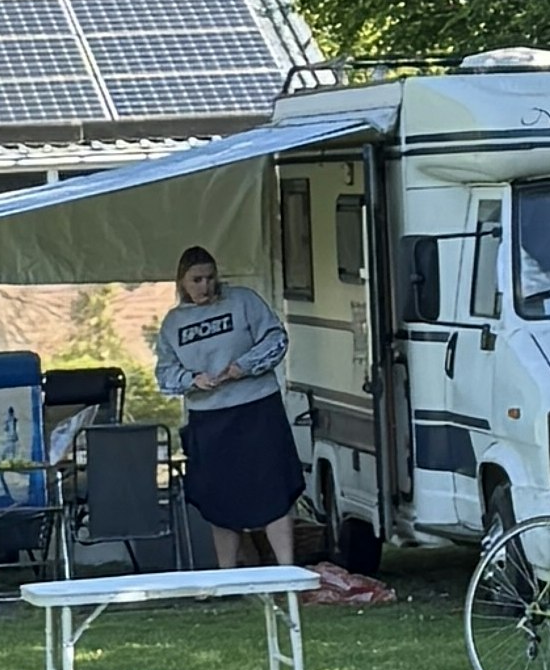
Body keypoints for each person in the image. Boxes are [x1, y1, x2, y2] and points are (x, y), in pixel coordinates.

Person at [152, 246, 380, 599]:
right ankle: (226, 577)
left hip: (256, 407)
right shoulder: (173, 324)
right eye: (197, 280)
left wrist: (244, 366)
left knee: (273, 488)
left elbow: (277, 338)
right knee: (219, 498)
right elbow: (164, 373)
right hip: (209, 417)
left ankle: (286, 571)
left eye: (211, 278)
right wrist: (192, 379)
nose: (206, 286)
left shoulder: (244, 302)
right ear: (182, 282)